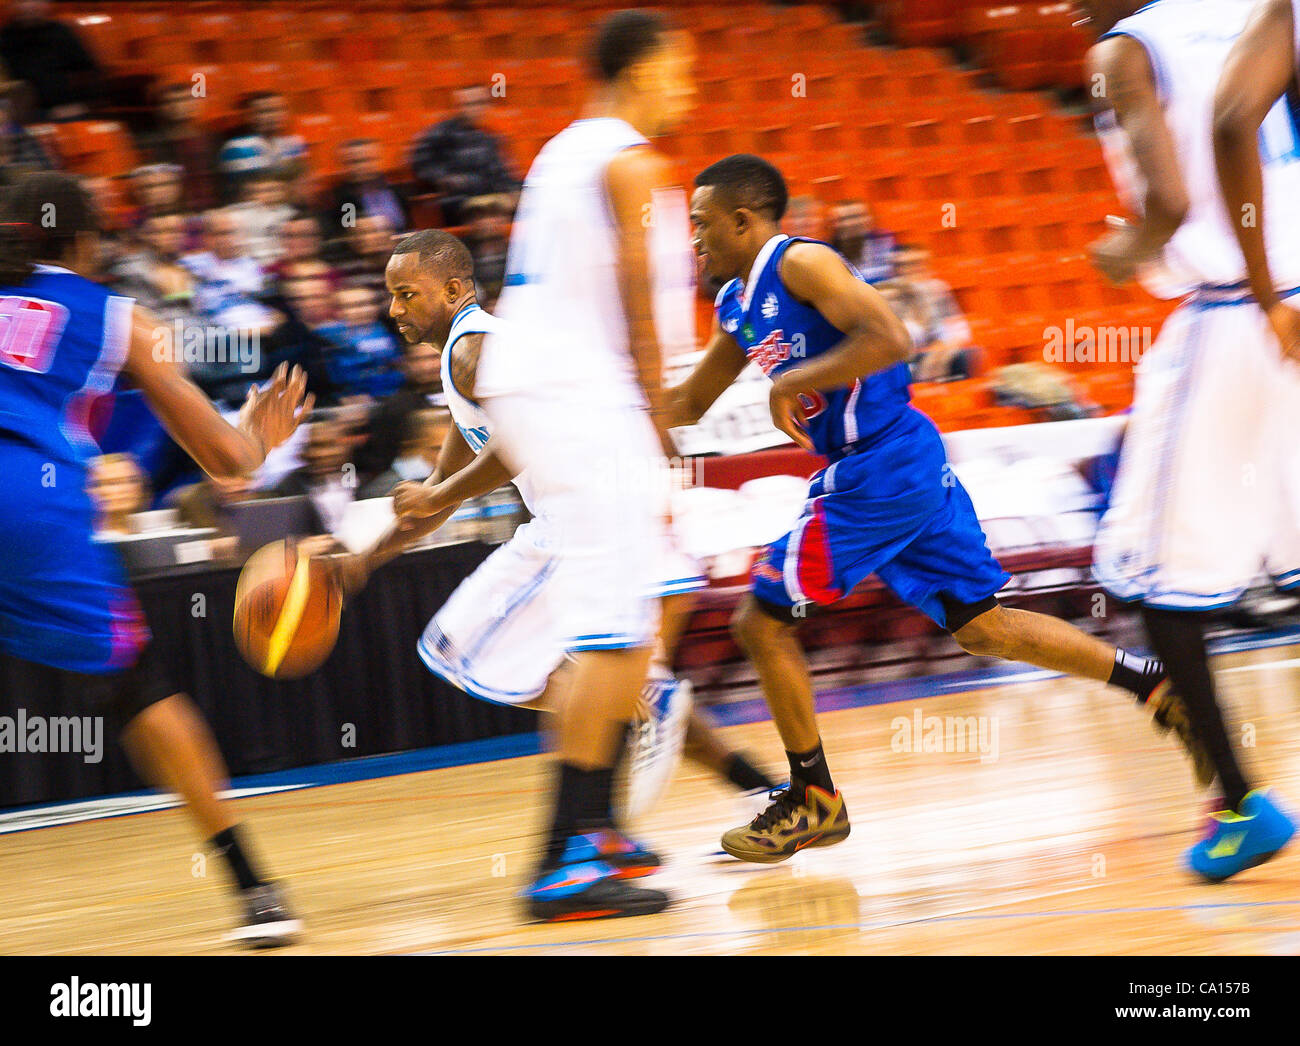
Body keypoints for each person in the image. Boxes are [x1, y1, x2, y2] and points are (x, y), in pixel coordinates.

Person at [670, 153, 1211, 863]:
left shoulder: (799, 263)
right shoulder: (736, 304)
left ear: (745, 219)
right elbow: (687, 404)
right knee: (983, 628)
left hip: (878, 468)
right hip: (897, 470)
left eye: (703, 224)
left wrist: (792, 380)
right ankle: (1153, 684)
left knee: (760, 622)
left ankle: (813, 799)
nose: (696, 240)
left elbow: (892, 337)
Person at [323, 230, 777, 871]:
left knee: (469, 649)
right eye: (390, 296)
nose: (394, 310)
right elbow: (440, 497)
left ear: (454, 290)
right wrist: (363, 561)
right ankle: (734, 787)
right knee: (589, 680)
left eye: (406, 294)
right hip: (602, 509)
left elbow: (519, 448)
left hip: (587, 514)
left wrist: (439, 493)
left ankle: (626, 760)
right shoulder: (473, 356)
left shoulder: (474, 352)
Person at [0, 171, 312, 946]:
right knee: (137, 687)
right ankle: (254, 891)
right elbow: (225, 458)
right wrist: (261, 435)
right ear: (85, 243)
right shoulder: (110, 314)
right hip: (27, 507)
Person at [1082, 0, 1300, 882]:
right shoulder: (1254, 11)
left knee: (1158, 587)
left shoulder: (1122, 51)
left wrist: (1124, 249)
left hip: (1237, 316)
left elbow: (1171, 200)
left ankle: (1242, 804)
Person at [411, 85, 519, 226]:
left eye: (480, 103)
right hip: (459, 199)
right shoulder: (440, 134)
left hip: (491, 197)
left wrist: (515, 190)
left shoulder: (489, 138)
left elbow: (503, 174)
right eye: (470, 104)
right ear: (459, 106)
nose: (476, 109)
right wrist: (445, 178)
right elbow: (420, 164)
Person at [0, 0, 102, 119]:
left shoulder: (62, 32)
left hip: (65, 112)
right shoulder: (4, 38)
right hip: (21, 117)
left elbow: (89, 72)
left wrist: (82, 105)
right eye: (23, 1)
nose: (30, 6)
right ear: (13, 5)